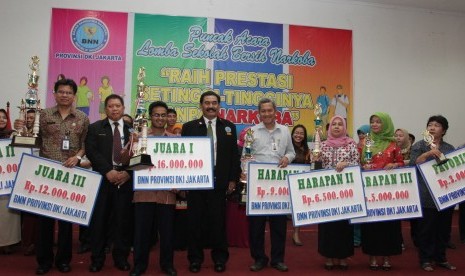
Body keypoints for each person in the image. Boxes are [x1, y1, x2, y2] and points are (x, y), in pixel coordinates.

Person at [14, 78, 89, 274]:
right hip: (46, 172)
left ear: (74, 96)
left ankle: (64, 260)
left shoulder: (82, 117)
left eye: (69, 92)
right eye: (61, 92)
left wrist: (78, 157)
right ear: (54, 94)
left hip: (70, 173)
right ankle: (44, 261)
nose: (65, 95)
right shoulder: (43, 114)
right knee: (44, 221)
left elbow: (85, 144)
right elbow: (34, 140)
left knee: (66, 221)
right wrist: (22, 128)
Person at [181, 91, 240, 273]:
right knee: (194, 223)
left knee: (218, 223)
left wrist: (232, 179)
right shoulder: (189, 127)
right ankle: (195, 259)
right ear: (201, 106)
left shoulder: (228, 127)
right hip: (195, 182)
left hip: (219, 182)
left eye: (214, 102)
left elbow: (233, 156)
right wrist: (184, 182)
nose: (211, 106)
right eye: (207, 103)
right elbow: (183, 155)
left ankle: (220, 258)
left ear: (219, 106)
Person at [85, 94, 133, 273]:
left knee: (123, 223)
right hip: (101, 181)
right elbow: (91, 151)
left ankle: (121, 258)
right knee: (99, 222)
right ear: (106, 109)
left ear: (123, 108)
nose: (114, 109)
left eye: (117, 106)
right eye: (111, 106)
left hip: (124, 182)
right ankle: (97, 259)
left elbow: (138, 155)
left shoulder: (132, 130)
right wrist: (108, 171)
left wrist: (127, 174)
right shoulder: (95, 128)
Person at [247, 98, 295, 273]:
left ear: (276, 112)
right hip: (257, 186)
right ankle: (259, 258)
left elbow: (291, 151)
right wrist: (246, 167)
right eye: (263, 111)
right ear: (258, 113)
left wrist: (287, 158)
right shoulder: (251, 132)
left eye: (270, 110)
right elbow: (246, 155)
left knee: (279, 226)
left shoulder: (284, 130)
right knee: (256, 226)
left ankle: (277, 259)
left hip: (278, 185)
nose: (266, 114)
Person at [131, 101, 177, 276]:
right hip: (144, 193)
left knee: (167, 233)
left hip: (167, 193)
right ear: (150, 117)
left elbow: (182, 167)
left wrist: (179, 184)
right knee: (141, 233)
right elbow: (125, 161)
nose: (160, 118)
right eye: (156, 115)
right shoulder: (140, 138)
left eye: (163, 115)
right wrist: (132, 145)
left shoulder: (175, 140)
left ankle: (167, 265)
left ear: (168, 117)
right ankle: (139, 265)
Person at [409, 115, 456, 272]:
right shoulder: (419, 145)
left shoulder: (449, 148)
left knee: (443, 229)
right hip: (426, 194)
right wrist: (429, 153)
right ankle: (426, 259)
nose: (432, 127)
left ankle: (441, 258)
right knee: (426, 230)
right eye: (430, 124)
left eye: (437, 125)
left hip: (445, 194)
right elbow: (413, 163)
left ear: (443, 130)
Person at [360, 112, 404, 271]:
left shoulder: (393, 145)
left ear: (385, 124)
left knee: (388, 224)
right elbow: (358, 162)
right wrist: (363, 167)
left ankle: (387, 256)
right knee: (371, 224)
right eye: (372, 122)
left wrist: (395, 165)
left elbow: (401, 163)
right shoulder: (365, 142)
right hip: (370, 191)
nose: (375, 125)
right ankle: (372, 256)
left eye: (378, 122)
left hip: (388, 193)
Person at [315, 116, 359, 270]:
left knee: (343, 224)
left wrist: (346, 163)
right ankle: (328, 256)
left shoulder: (351, 144)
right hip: (327, 191)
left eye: (340, 124)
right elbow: (315, 166)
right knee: (328, 224)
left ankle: (342, 256)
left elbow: (358, 163)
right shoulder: (323, 145)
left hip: (346, 191)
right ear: (329, 127)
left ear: (345, 127)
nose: (337, 127)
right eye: (334, 124)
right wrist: (315, 157)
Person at [0, 108, 21, 255]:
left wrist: (21, 130)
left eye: (4, 117)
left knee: (7, 214)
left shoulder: (12, 134)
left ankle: (7, 243)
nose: (2, 120)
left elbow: (25, 146)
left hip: (7, 182)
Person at [290, 124, 310, 246]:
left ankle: (296, 232)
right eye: (296, 133)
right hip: (284, 183)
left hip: (299, 184)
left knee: (299, 208)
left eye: (301, 133)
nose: (298, 135)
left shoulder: (307, 150)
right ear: (292, 134)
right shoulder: (287, 148)